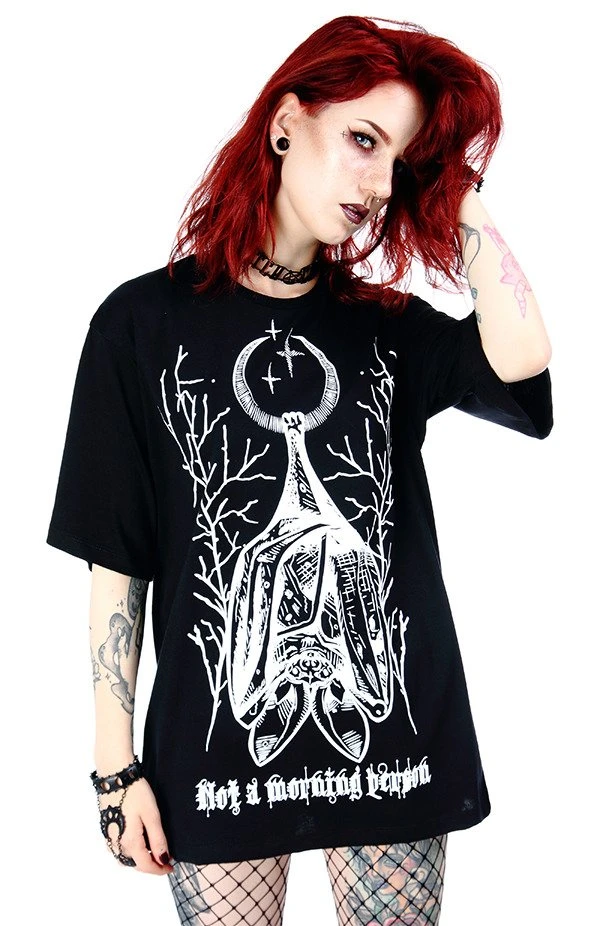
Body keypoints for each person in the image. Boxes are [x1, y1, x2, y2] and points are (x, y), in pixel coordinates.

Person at [46, 14, 553, 926]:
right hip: (220, 748)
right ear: (286, 124)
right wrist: (115, 770)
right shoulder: (140, 325)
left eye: (399, 160)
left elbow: (522, 360)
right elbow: (116, 558)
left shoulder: (389, 327)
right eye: (362, 139)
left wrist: (458, 195)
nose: (378, 183)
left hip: (392, 740)